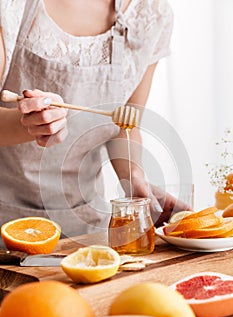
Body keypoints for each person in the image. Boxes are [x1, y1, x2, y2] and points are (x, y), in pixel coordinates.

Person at [0, 0, 190, 238]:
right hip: (5, 221)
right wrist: (26, 124)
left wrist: (133, 177)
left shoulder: (150, 13)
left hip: (83, 227)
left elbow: (125, 124)